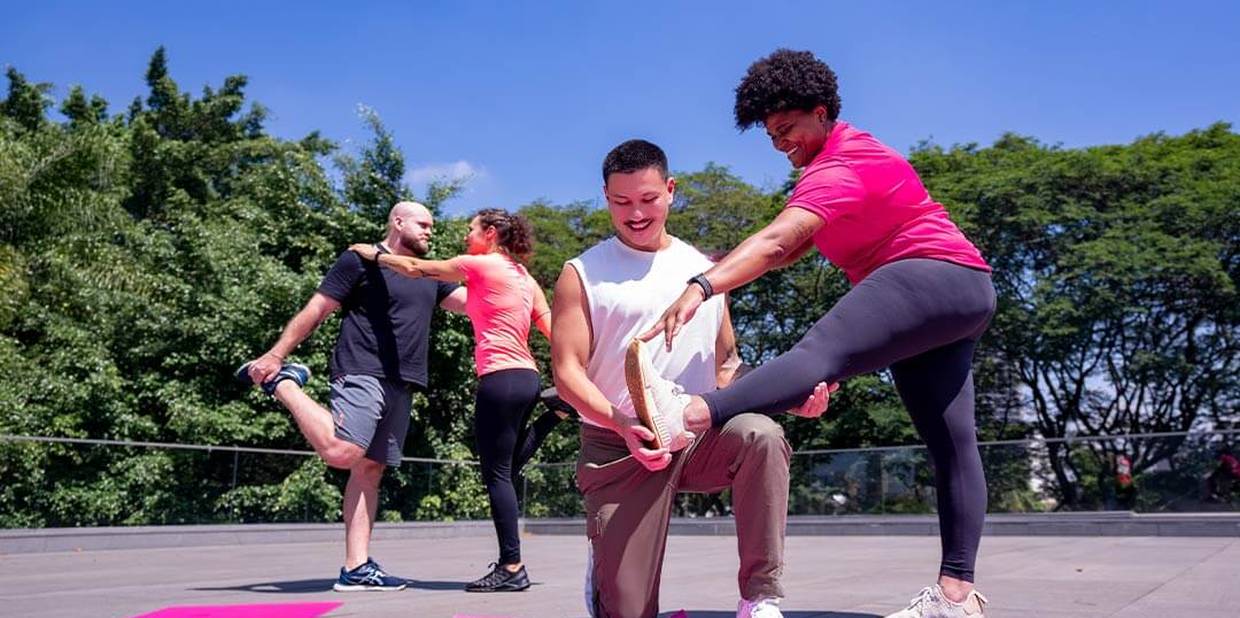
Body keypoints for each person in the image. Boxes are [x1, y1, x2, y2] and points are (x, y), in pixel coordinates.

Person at [631, 49, 996, 618]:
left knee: (816, 354)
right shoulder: (844, 159)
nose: (781, 143)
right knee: (951, 443)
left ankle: (689, 416)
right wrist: (715, 262)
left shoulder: (839, 165)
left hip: (925, 275)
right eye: (771, 135)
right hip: (962, 293)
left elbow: (777, 242)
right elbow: (791, 248)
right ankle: (957, 598)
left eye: (788, 129)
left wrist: (701, 286)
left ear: (821, 112)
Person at [550, 139, 833, 618]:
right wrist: (622, 424)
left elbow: (728, 368)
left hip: (699, 436)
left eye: (647, 199)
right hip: (619, 442)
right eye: (621, 203)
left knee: (761, 435)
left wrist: (786, 396)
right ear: (605, 197)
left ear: (671, 190)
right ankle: (608, 564)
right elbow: (567, 372)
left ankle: (759, 597)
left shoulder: (706, 272)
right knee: (627, 610)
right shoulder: (582, 274)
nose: (635, 214)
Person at [236, 201, 465, 592]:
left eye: (432, 226)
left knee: (369, 470)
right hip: (361, 368)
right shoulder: (361, 261)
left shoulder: (429, 274)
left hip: (403, 381)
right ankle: (284, 384)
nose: (430, 231)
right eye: (423, 224)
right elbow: (319, 307)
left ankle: (355, 568)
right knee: (343, 452)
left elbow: (474, 306)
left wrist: (511, 286)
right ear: (398, 222)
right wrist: (276, 355)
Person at [349, 207, 555, 592]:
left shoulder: (478, 264)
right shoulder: (524, 277)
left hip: (499, 377)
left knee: (496, 475)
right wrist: (577, 372)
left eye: (471, 228)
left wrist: (374, 255)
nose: (465, 235)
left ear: (490, 233)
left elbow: (413, 268)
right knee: (506, 471)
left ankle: (511, 567)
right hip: (528, 377)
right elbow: (552, 328)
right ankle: (553, 415)